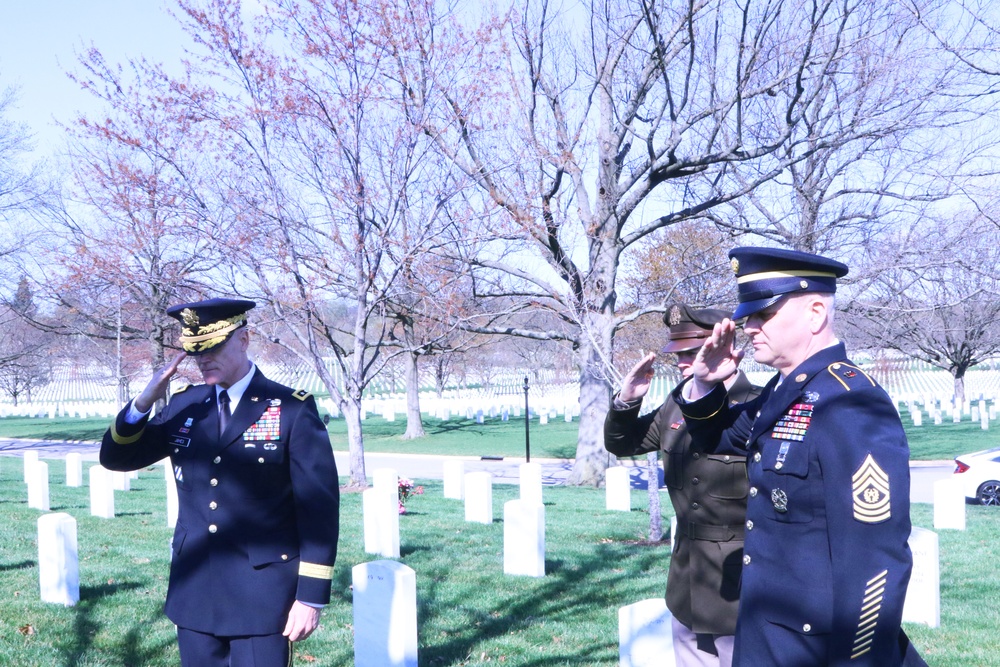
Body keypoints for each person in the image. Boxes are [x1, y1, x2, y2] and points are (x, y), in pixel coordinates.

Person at [675, 247, 925, 666]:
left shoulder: (851, 404)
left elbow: (875, 561)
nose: (749, 326)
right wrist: (705, 385)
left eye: (763, 314)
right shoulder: (783, 391)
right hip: (766, 637)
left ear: (814, 314)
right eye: (748, 316)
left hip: (817, 650)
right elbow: (721, 439)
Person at [101, 298, 340, 667]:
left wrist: (310, 597)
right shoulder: (186, 405)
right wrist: (144, 401)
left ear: (244, 340)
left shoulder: (290, 407)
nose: (203, 359)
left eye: (213, 348)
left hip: (264, 592)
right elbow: (117, 459)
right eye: (195, 352)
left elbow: (318, 509)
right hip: (195, 587)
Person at [605, 303, 761, 667]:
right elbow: (622, 444)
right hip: (687, 579)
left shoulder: (753, 406)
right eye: (679, 353)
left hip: (738, 581)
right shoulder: (676, 405)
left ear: (723, 348)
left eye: (692, 352)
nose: (681, 362)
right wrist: (627, 398)